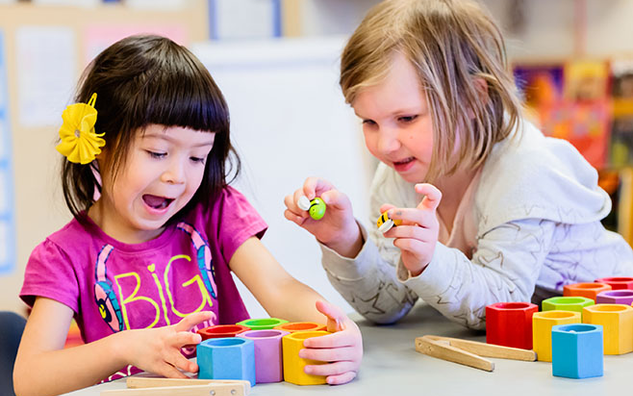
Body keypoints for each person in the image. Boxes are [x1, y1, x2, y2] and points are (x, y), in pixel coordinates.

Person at [13, 35, 362, 396]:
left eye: (197, 157)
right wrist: (124, 347)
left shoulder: (215, 210)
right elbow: (30, 379)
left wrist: (336, 330)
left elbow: (280, 288)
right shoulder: (63, 256)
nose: (178, 176)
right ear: (99, 146)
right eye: (158, 152)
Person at [284, 0, 633, 330]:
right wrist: (346, 240)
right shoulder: (399, 174)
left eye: (406, 118)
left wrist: (428, 260)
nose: (384, 144)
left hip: (613, 332)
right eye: (369, 122)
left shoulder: (525, 169)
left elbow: (502, 306)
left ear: (474, 98)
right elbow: (389, 303)